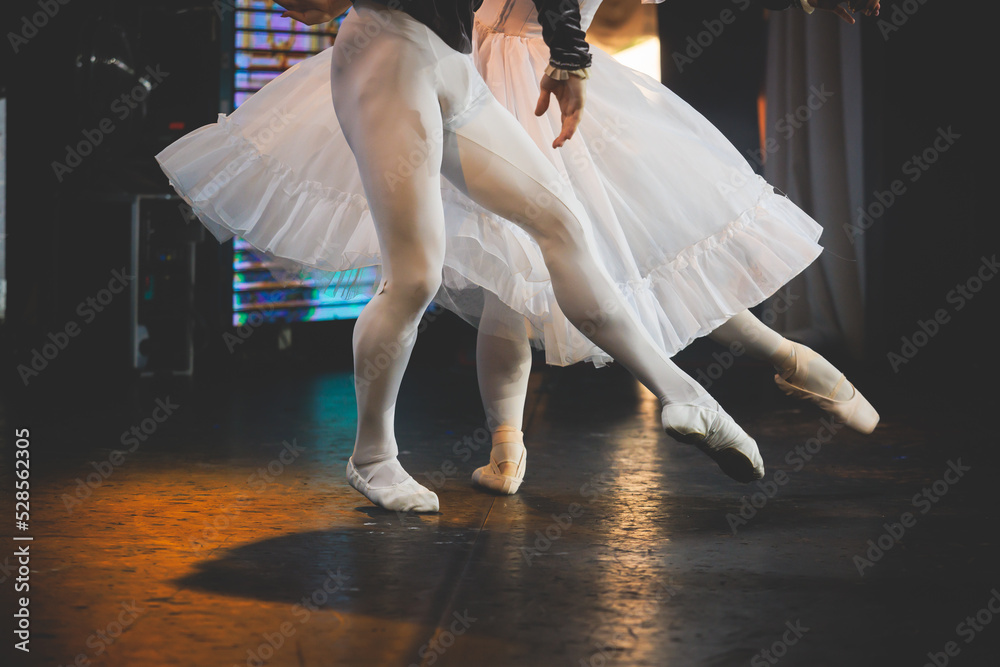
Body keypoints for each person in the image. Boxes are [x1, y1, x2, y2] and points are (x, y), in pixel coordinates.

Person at [156, 0, 878, 512]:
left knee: (561, 224)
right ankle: (373, 455)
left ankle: (687, 396)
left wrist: (567, 54)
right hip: (384, 53)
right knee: (414, 276)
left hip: (451, 63)